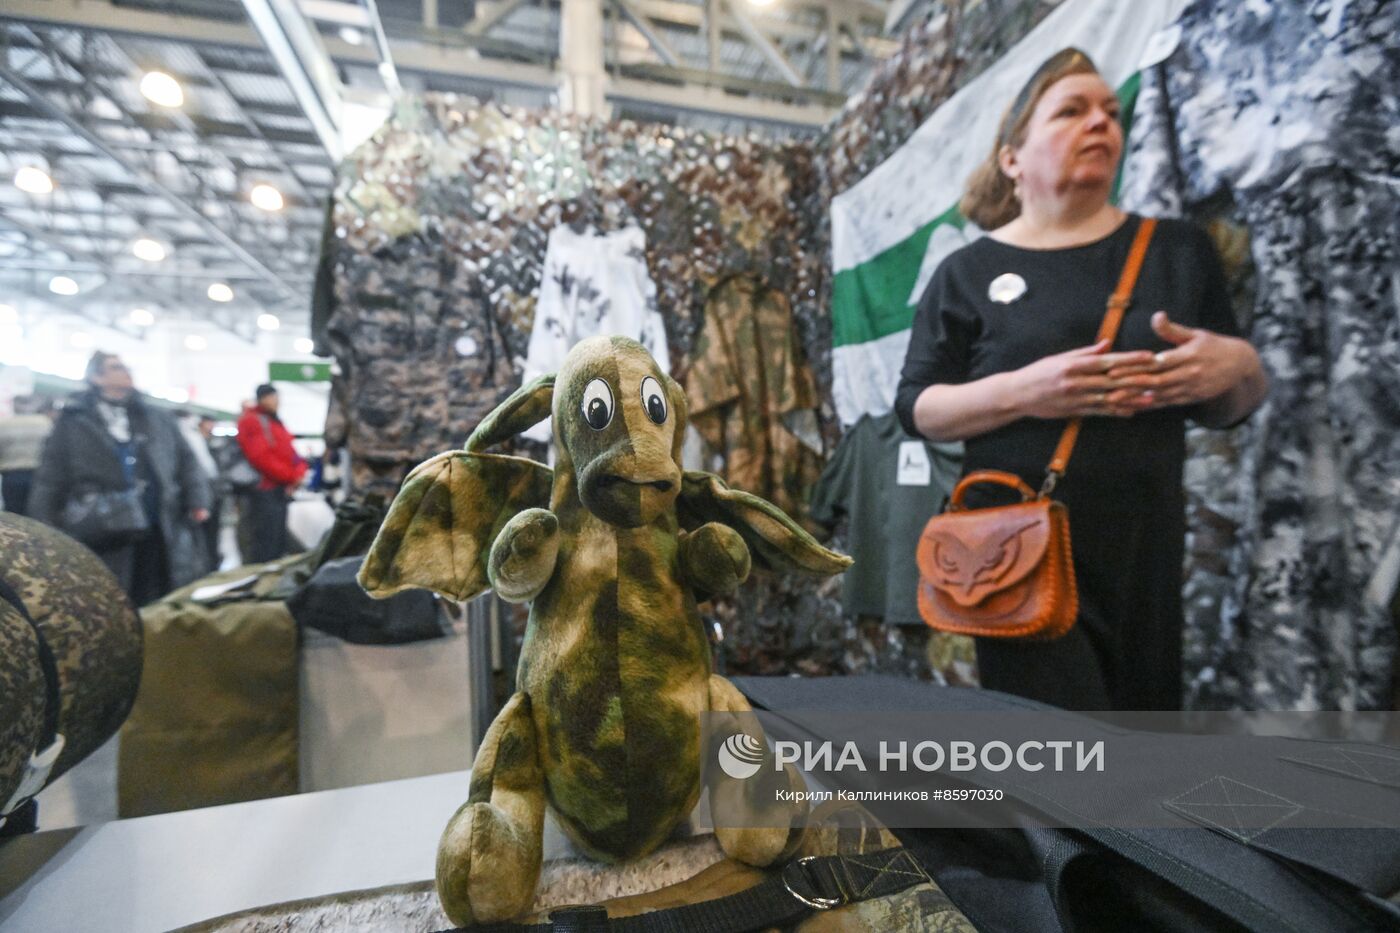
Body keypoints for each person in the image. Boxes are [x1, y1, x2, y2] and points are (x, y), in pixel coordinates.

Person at [894, 48, 1267, 711]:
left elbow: (1231, 406)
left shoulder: (1177, 250)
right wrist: (1028, 388)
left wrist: (1240, 367)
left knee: (1142, 754)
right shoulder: (967, 272)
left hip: (1145, 555)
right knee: (1063, 769)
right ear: (1013, 157)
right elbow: (918, 407)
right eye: (1071, 111)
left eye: (1110, 112)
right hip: (1014, 550)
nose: (1100, 123)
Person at [29, 352, 212, 605]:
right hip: (105, 527)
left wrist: (198, 499)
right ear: (96, 377)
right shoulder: (74, 421)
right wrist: (44, 526)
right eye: (115, 367)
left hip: (158, 521)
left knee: (161, 589)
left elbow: (186, 461)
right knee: (113, 592)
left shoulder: (156, 417)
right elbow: (51, 476)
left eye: (125, 366)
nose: (125, 372)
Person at [236, 384, 306, 563]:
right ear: (262, 399)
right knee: (265, 542)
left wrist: (298, 473)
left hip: (279, 489)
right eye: (272, 398)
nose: (276, 402)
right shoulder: (252, 421)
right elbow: (260, 457)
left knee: (277, 539)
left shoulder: (275, 421)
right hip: (264, 491)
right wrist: (291, 477)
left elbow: (292, 453)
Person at [178, 411, 224, 573]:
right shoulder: (191, 439)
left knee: (207, 536)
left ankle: (209, 566)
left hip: (208, 493)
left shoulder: (199, 440)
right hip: (201, 495)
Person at [0, 394, 53, 516]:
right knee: (35, 512)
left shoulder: (4, 424)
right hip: (39, 475)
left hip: (12, 475)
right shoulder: (46, 423)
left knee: (13, 512)